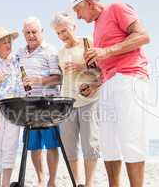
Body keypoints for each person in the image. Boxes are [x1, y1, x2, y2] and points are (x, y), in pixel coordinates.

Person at [69, 0, 150, 186]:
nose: (78, 17)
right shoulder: (97, 27)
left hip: (130, 78)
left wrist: (106, 51)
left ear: (88, 3)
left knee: (131, 140)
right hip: (109, 84)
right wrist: (95, 84)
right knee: (109, 143)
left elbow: (143, 36)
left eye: (78, 11)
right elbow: (108, 62)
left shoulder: (116, 8)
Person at [51, 11, 100, 187]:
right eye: (58, 33)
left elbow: (102, 70)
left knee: (90, 144)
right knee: (69, 146)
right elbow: (61, 78)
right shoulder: (60, 52)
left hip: (89, 101)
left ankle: (89, 184)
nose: (62, 36)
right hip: (67, 104)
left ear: (74, 27)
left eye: (64, 31)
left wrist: (81, 66)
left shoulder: (89, 43)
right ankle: (76, 182)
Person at [18, 17, 62, 187]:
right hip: (28, 104)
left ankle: (52, 180)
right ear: (23, 34)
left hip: (48, 104)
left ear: (42, 32)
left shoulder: (51, 51)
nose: (31, 35)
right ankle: (40, 178)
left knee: (51, 143)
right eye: (27, 32)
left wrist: (39, 80)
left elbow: (58, 78)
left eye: (34, 32)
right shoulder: (20, 53)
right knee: (33, 145)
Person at [0, 26, 23, 187]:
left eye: (9, 41)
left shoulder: (18, 59)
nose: (8, 44)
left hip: (15, 108)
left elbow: (23, 85)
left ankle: (6, 184)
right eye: (3, 42)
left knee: (10, 146)